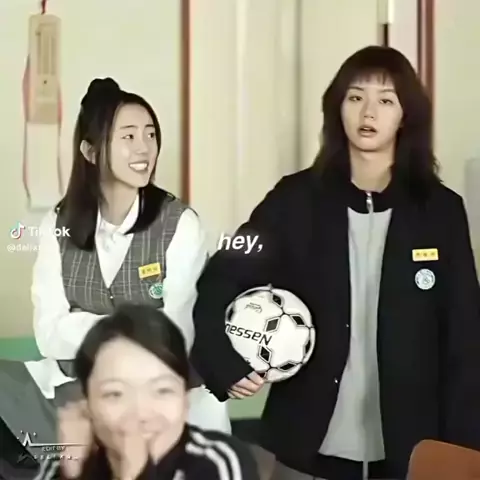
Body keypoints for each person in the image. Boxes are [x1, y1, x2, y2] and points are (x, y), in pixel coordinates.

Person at [191, 45, 480, 480]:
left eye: (386, 100)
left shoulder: (441, 211)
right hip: (304, 448)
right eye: (355, 97)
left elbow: (465, 338)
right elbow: (221, 275)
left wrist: (463, 450)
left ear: (406, 115)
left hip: (412, 451)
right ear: (337, 108)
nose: (368, 112)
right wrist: (225, 363)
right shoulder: (292, 201)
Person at [0, 78, 230, 462]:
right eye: (128, 136)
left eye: (150, 134)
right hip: (78, 392)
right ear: (90, 152)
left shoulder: (180, 224)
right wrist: (132, 327)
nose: (144, 148)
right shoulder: (58, 225)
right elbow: (49, 335)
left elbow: (174, 336)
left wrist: (83, 325)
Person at [33, 303, 260, 480]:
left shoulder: (217, 461)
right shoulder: (65, 467)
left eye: (162, 391)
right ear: (87, 403)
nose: (141, 413)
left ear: (185, 399)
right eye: (115, 394)